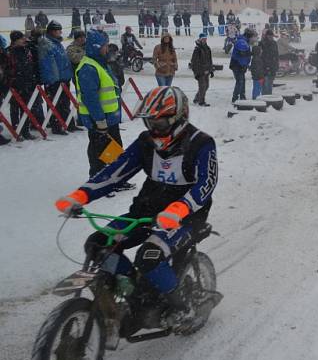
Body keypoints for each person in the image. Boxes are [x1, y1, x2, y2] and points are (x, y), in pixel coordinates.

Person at [55, 85, 219, 332]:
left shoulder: (201, 144)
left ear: (178, 119)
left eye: (160, 124)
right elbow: (116, 172)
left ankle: (181, 307)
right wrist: (81, 195)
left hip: (186, 217)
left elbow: (206, 184)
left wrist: (180, 209)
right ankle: (134, 292)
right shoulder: (146, 143)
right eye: (149, 123)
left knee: (149, 256)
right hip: (145, 211)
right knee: (98, 245)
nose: (154, 129)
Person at [73, 30, 124, 176]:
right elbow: (90, 97)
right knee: (99, 149)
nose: (106, 49)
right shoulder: (88, 67)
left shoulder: (99, 63)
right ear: (96, 47)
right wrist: (99, 120)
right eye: (104, 46)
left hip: (108, 118)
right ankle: (99, 178)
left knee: (113, 148)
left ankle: (114, 177)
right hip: (99, 119)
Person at [38, 21, 72, 135]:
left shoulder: (57, 43)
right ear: (52, 31)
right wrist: (53, 79)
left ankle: (67, 123)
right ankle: (56, 126)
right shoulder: (46, 44)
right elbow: (47, 64)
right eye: (58, 30)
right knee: (55, 104)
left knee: (65, 103)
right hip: (55, 80)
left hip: (63, 78)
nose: (61, 32)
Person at [4, 31, 39, 140]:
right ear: (15, 40)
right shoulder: (8, 53)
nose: (24, 40)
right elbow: (6, 69)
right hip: (14, 85)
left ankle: (25, 130)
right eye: (21, 38)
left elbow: (30, 65)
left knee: (26, 108)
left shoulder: (26, 50)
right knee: (15, 109)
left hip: (27, 83)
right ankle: (16, 130)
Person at [229, 28, 253, 103]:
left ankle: (242, 95)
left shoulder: (245, 41)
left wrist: (246, 65)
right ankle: (235, 98)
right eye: (251, 36)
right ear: (248, 35)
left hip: (240, 64)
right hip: (237, 64)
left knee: (242, 80)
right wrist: (244, 65)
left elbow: (246, 56)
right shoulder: (241, 42)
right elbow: (242, 55)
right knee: (240, 81)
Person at [190, 32, 213, 106]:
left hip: (207, 70)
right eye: (203, 39)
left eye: (205, 39)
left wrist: (211, 70)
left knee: (206, 86)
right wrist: (197, 72)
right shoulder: (197, 49)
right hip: (200, 71)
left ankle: (197, 98)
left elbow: (210, 60)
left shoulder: (207, 48)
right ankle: (201, 101)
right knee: (202, 86)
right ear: (200, 39)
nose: (204, 40)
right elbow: (194, 62)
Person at [261, 29, 279, 96]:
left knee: (270, 83)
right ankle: (264, 97)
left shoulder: (274, 43)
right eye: (269, 36)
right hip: (264, 67)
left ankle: (269, 98)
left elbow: (276, 55)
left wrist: (277, 65)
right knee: (265, 84)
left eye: (272, 36)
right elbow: (262, 56)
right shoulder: (262, 43)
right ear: (266, 36)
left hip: (272, 66)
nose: (271, 37)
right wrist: (266, 65)